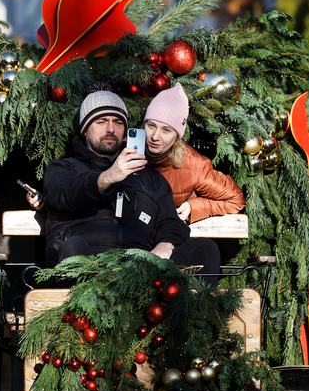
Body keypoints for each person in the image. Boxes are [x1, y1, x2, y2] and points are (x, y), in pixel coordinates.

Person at [40, 89, 220, 282]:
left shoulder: (149, 176)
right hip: (90, 264)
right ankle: (85, 310)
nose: (110, 129)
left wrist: (165, 245)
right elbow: (60, 194)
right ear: (85, 129)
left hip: (142, 269)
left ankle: (193, 311)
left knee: (205, 248)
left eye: (117, 123)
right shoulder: (63, 168)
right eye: (101, 122)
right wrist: (107, 177)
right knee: (72, 247)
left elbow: (170, 221)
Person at [141, 83, 244, 223]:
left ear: (177, 136)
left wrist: (192, 207)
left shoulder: (195, 166)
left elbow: (236, 200)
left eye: (166, 130)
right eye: (151, 125)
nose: (155, 136)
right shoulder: (123, 150)